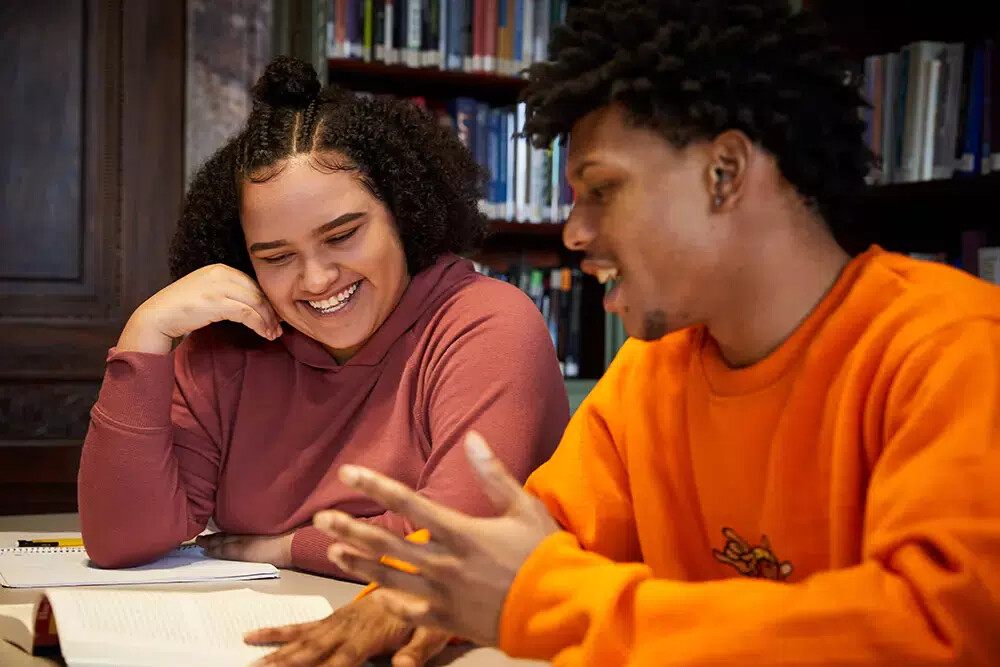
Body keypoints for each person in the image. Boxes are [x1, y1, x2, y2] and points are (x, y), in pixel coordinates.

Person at [296, 0, 1000, 664]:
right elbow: (538, 538)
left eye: (602, 190)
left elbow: (939, 636)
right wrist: (416, 589)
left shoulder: (956, 349)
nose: (575, 233)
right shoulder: (649, 373)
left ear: (724, 173)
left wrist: (551, 602)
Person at [78, 56, 568, 663]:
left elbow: (451, 548)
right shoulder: (230, 344)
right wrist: (144, 335)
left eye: (342, 235)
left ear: (402, 210)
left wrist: (286, 547)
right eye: (275, 256)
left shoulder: (487, 323)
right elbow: (121, 541)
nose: (315, 279)